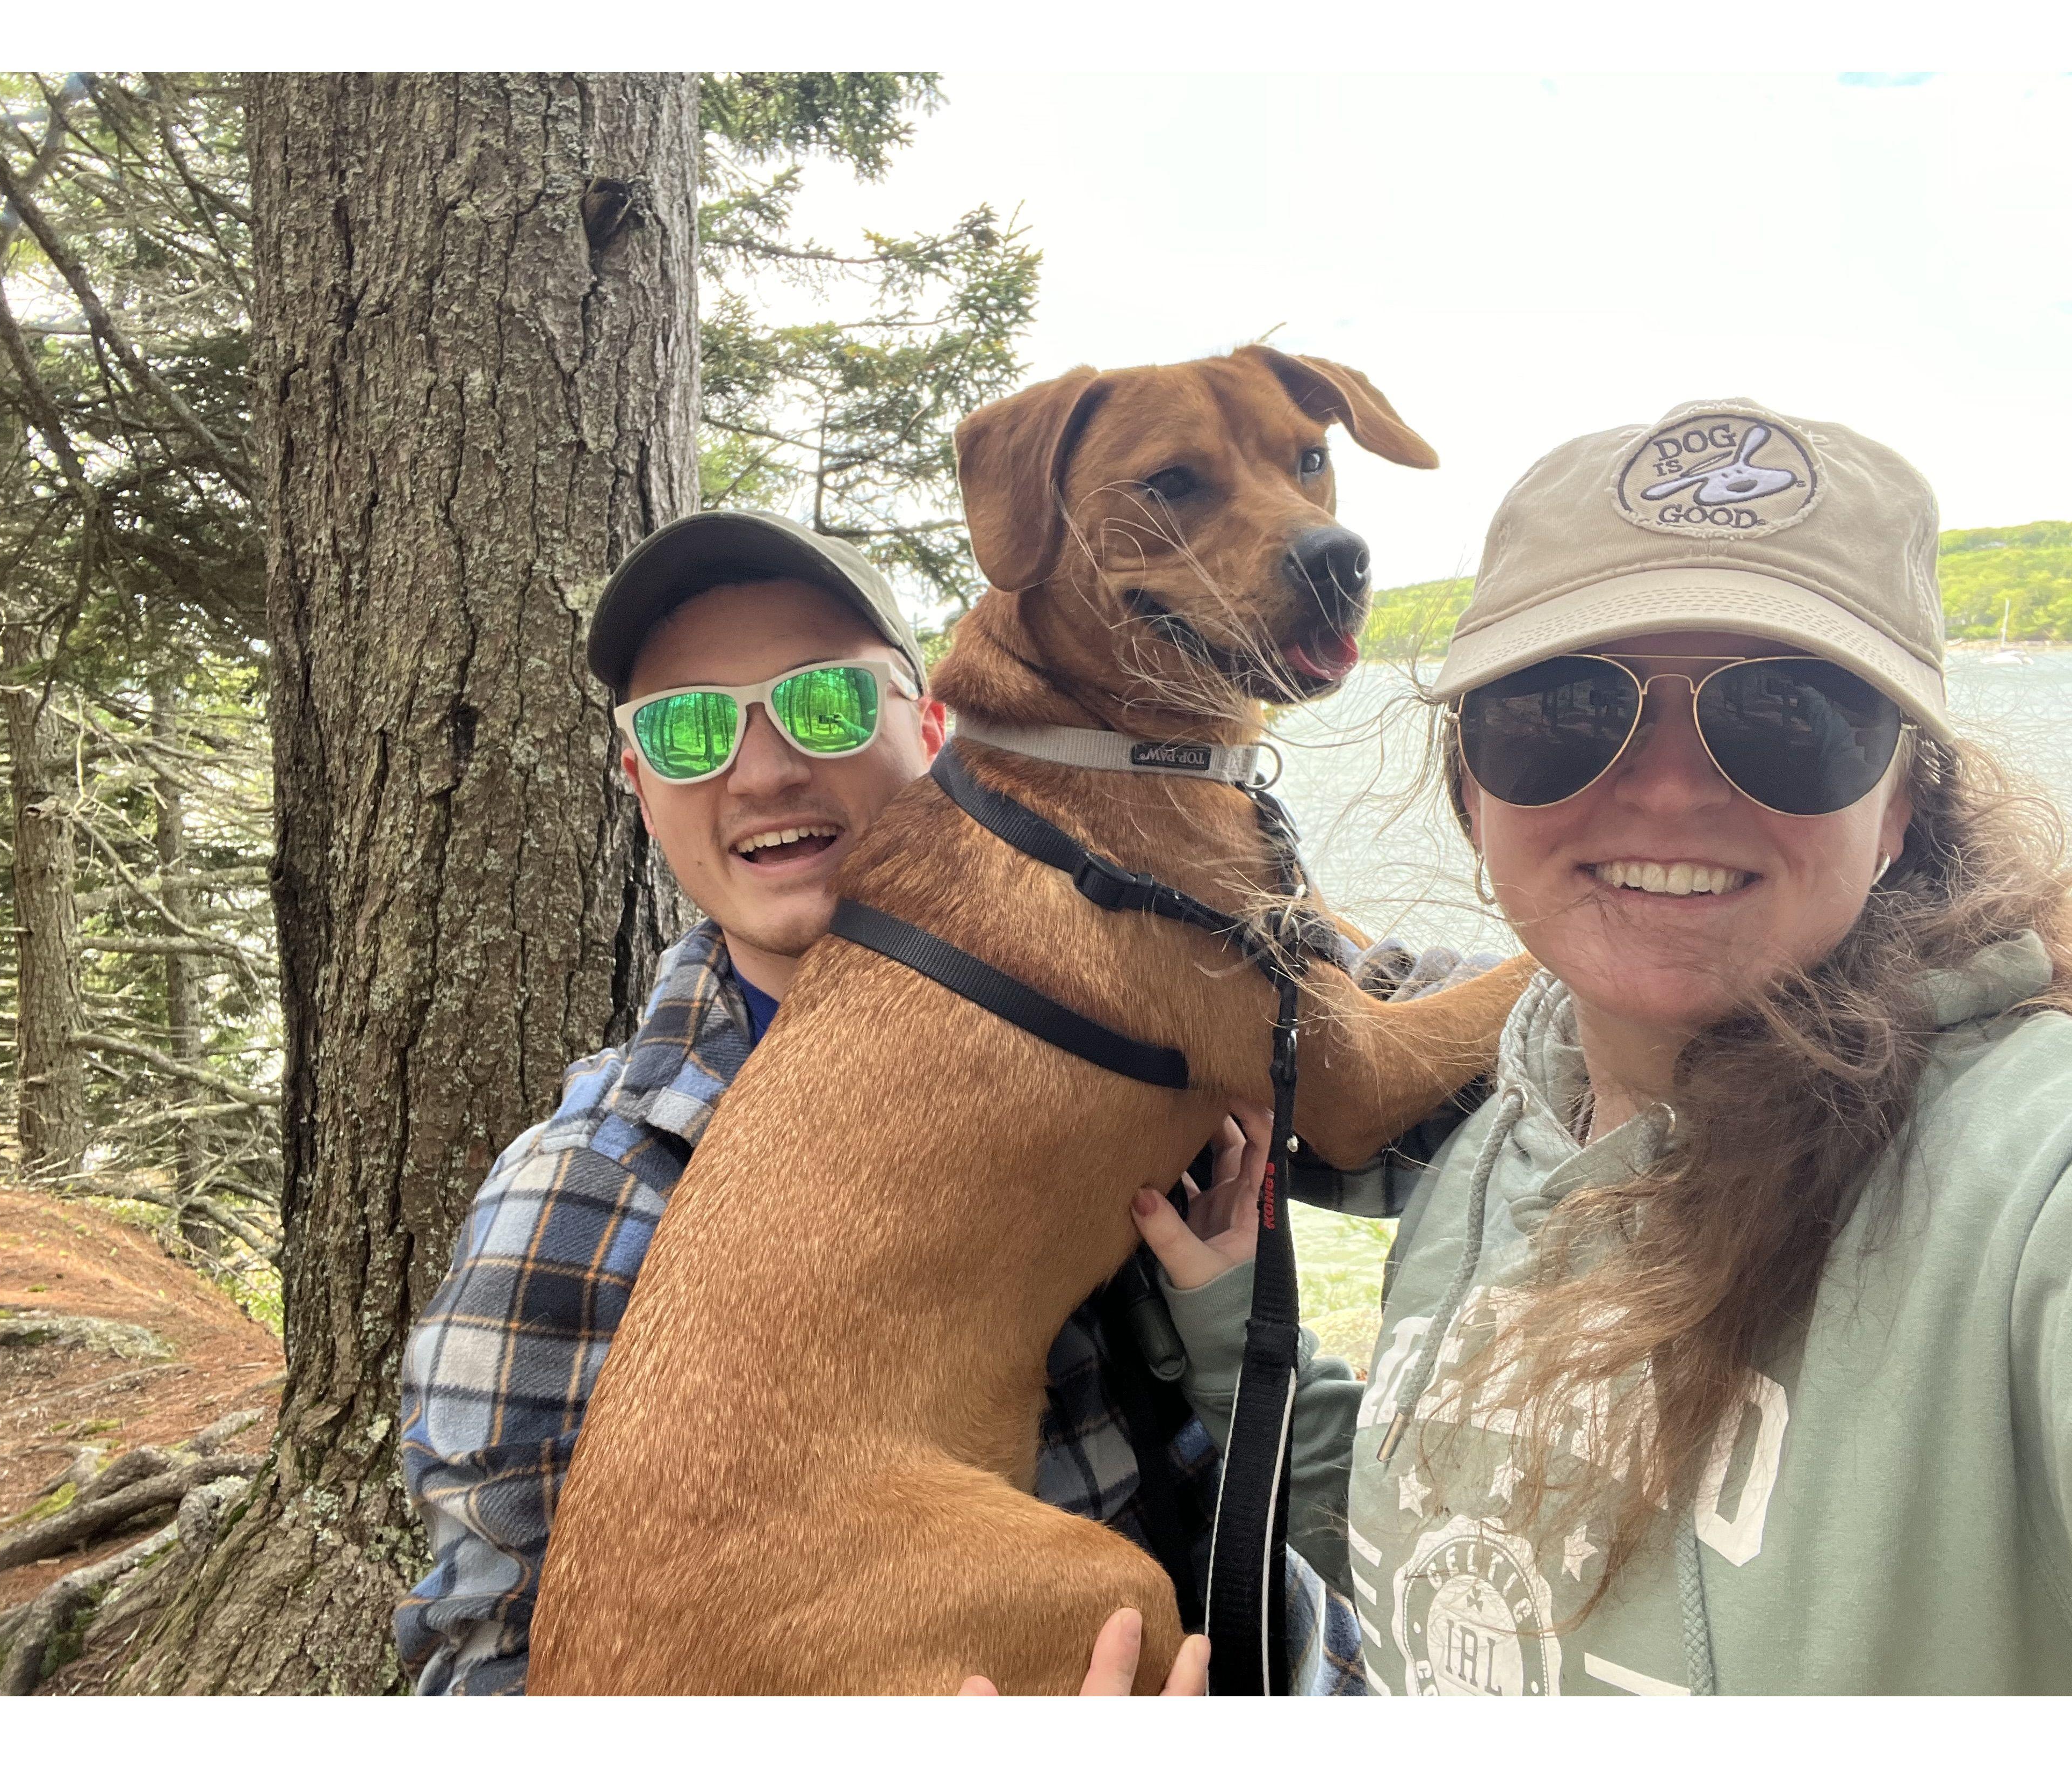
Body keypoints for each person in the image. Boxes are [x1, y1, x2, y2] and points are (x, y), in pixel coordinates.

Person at [1139, 397, 2072, 1695]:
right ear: (1472, 793)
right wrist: (1236, 1332)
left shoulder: (2056, 1188)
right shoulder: (1493, 1154)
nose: (1669, 790)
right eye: (1562, 711)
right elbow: (1453, 1550)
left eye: (1788, 715)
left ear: (1900, 803)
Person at [395, 508, 1363, 1694]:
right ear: (641, 788)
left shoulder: (1135, 987)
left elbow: (1392, 1043)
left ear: (937, 734)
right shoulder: (584, 1195)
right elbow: (497, 1673)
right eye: (688, 729)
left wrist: (1237, 1331)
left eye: (828, 703)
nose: (763, 771)